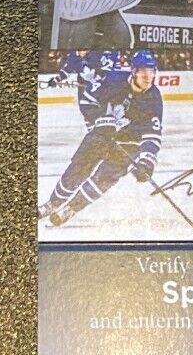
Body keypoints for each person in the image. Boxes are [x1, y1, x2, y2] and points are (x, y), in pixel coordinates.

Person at [39, 51, 164, 227]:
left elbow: (153, 133)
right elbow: (88, 100)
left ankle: (72, 208)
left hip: (129, 143)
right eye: (143, 71)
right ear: (133, 71)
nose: (147, 76)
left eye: (151, 71)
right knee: (78, 168)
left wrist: (147, 161)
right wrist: (101, 121)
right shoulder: (113, 80)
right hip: (103, 133)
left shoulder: (154, 99)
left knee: (103, 178)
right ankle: (52, 204)